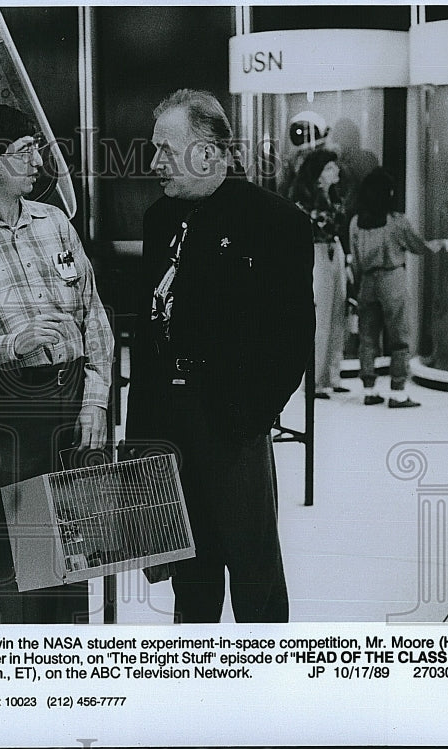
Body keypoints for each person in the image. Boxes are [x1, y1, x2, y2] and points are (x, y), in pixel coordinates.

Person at [126, 89, 313, 623]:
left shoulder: (275, 222)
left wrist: (248, 417)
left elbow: (291, 338)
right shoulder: (159, 218)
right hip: (170, 423)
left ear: (208, 153)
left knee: (253, 573)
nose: (154, 162)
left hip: (233, 424)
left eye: (165, 149)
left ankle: (267, 688)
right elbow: (149, 330)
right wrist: (140, 434)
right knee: (190, 570)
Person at [0, 104, 114, 624]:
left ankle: (74, 675)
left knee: (77, 542)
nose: (39, 159)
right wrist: (7, 345)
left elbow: (93, 316)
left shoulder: (55, 223)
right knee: (24, 551)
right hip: (8, 407)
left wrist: (95, 401)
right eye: (24, 149)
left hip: (72, 397)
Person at [350, 167, 448, 407]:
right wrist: (439, 244)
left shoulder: (357, 222)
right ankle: (398, 392)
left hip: (367, 282)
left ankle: (369, 390)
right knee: (399, 337)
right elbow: (418, 246)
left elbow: (355, 259)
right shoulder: (396, 222)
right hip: (392, 279)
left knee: (367, 338)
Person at [290, 148, 349, 399]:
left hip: (334, 250)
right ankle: (314, 380)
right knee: (321, 317)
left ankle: (332, 375)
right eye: (328, 168)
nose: (335, 171)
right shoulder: (304, 200)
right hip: (316, 252)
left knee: (338, 314)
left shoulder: (332, 196)